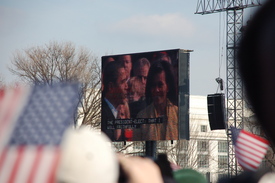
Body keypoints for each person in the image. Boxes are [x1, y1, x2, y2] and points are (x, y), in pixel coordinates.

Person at [134, 61, 178, 141]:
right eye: (153, 86)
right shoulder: (142, 116)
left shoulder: (178, 114)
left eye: (160, 85)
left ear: (168, 87)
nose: (156, 90)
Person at [102, 61, 128, 140]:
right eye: (123, 82)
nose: (127, 86)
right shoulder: (102, 114)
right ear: (111, 87)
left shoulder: (119, 112)